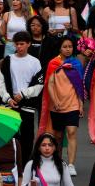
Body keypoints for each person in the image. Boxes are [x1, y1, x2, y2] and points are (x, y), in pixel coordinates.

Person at [38, 36, 83, 176]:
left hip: (73, 104)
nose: (68, 49)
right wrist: (55, 100)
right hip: (56, 106)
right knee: (57, 136)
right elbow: (49, 84)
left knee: (71, 132)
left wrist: (81, 104)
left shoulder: (76, 63)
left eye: (70, 46)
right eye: (65, 47)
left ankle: (70, 165)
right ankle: (57, 162)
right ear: (59, 48)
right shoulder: (53, 63)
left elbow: (80, 86)